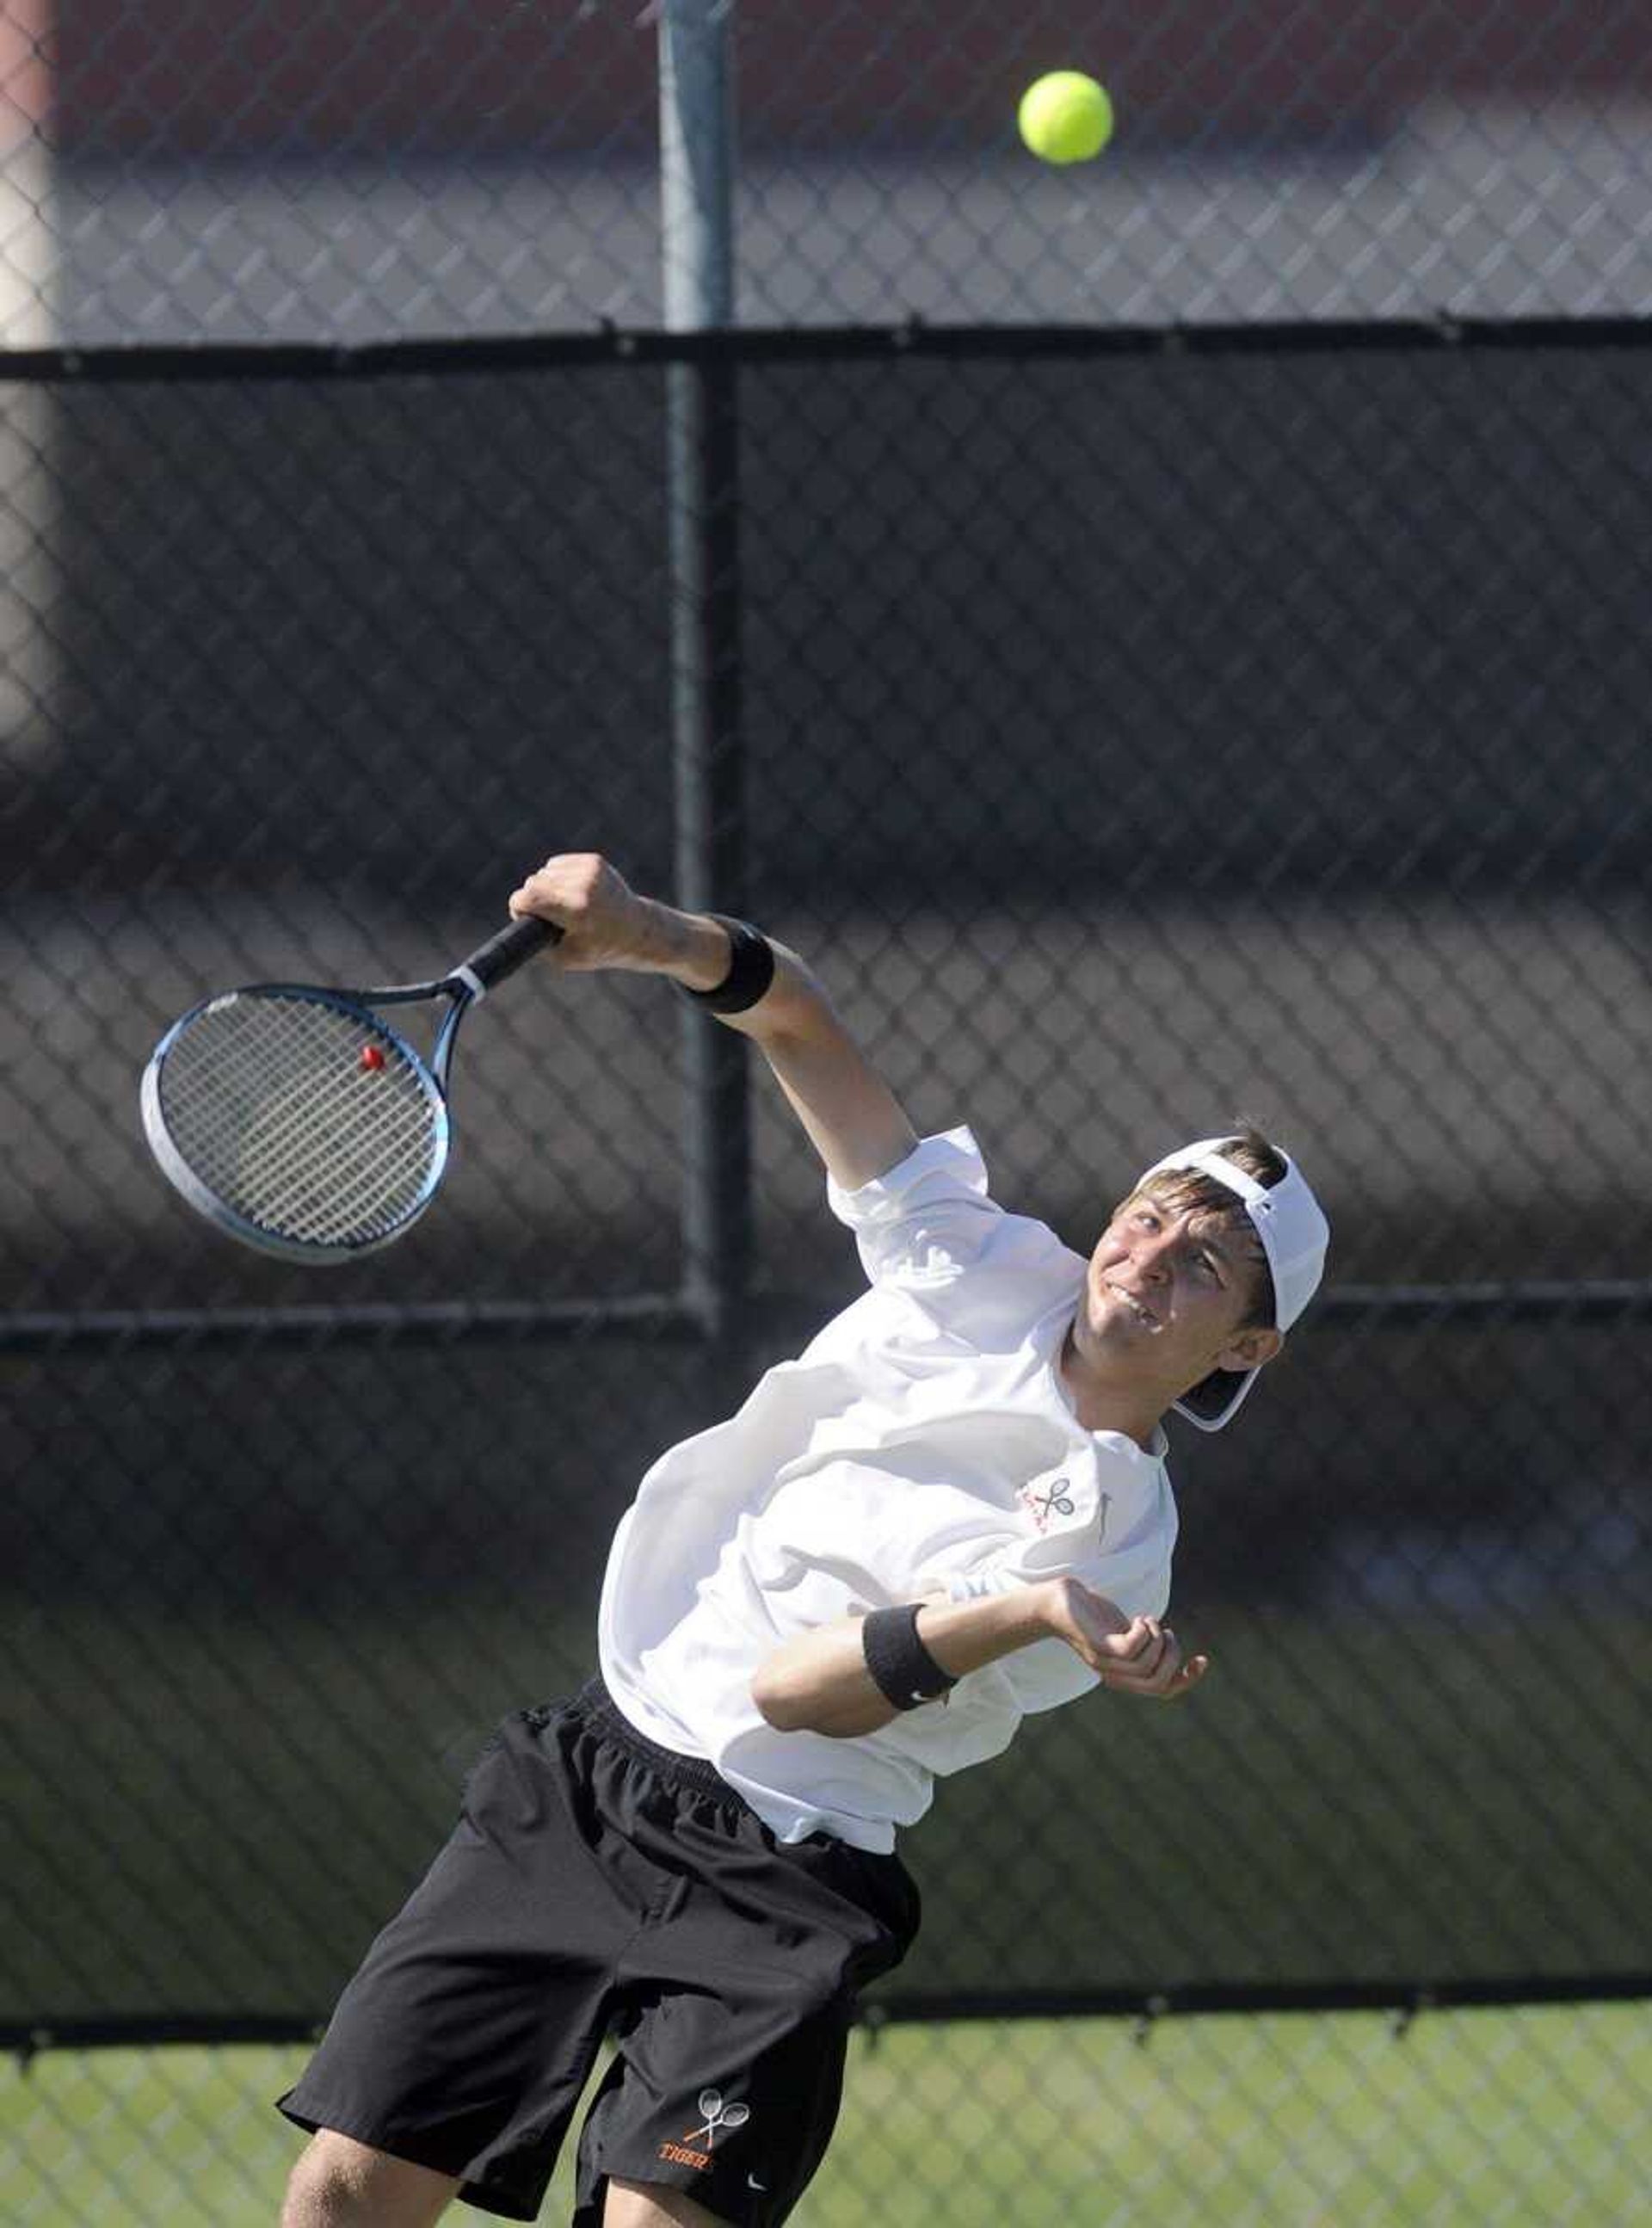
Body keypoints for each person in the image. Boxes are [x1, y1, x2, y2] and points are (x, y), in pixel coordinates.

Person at [277, 852, 1331, 2228]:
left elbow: (796, 1693)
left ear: (1243, 1346)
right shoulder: (976, 1259)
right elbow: (804, 1027)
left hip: (788, 1880)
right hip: (596, 1774)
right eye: (1146, 1216)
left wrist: (1028, 1610)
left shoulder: (1120, 1552)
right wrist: (647, 932)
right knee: (348, 2188)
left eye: (1204, 1262)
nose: (1146, 1256)